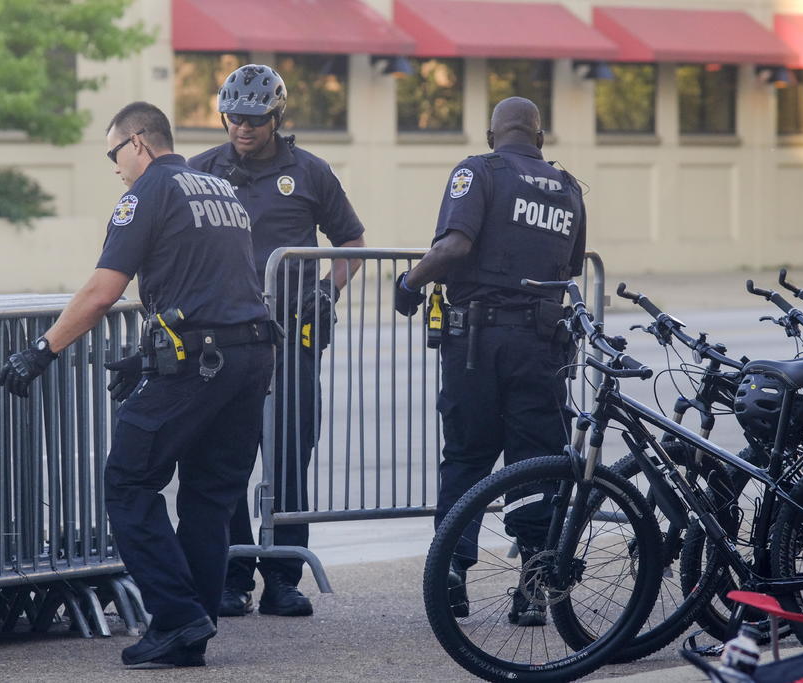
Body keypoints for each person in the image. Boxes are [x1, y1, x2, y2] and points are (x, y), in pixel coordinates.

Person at [0, 102, 274, 668]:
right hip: (249, 357)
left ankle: (176, 616)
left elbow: (103, 290)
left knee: (127, 482)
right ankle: (190, 632)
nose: (116, 168)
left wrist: (42, 350)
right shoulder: (220, 190)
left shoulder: (148, 192)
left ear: (139, 143)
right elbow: (211, 284)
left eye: (114, 155)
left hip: (202, 361)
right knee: (209, 498)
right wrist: (148, 356)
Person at [394, 97, 586, 625]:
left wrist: (409, 283)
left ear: (490, 135)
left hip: (477, 345)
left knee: (467, 455)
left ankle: (451, 574)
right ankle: (535, 584)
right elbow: (570, 265)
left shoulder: (477, 171)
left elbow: (455, 246)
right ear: (540, 138)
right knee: (534, 464)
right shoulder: (568, 188)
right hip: (542, 345)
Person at [188, 64, 366, 618]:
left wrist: (327, 289)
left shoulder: (310, 172)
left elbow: (352, 242)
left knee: (288, 460)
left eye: (254, 119)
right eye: (234, 118)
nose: (242, 128)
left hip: (291, 341)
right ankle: (232, 576)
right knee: (226, 460)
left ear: (277, 118)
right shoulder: (201, 171)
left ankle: (283, 579)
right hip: (224, 344)